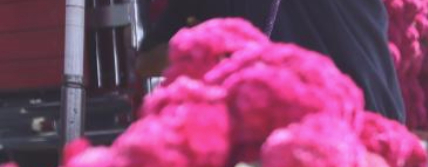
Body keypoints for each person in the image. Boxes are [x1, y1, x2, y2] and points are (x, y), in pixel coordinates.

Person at [137, 0, 407, 123]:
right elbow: (146, 61)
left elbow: (146, 62)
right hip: (283, 148)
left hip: (360, 133)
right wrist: (211, 46)